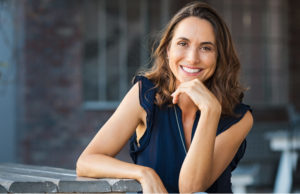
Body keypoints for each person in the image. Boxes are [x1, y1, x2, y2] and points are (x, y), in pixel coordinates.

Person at [76, 1, 253, 193]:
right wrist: (144, 173)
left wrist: (211, 111)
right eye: (183, 44)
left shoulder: (240, 117)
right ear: (168, 50)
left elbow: (190, 187)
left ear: (219, 57)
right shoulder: (145, 94)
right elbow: (87, 161)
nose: (192, 58)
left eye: (206, 48)